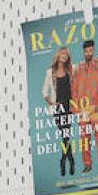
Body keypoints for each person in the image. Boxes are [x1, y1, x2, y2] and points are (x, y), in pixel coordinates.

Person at [71, 39, 98, 169]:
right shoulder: (78, 68)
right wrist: (76, 109)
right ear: (83, 52)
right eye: (86, 51)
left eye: (90, 50)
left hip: (96, 108)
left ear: (94, 50)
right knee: (84, 138)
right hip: (82, 109)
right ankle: (87, 164)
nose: (88, 53)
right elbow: (74, 89)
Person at [40, 48, 76, 177]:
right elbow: (44, 92)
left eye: (67, 55)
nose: (64, 56)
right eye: (62, 53)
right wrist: (52, 103)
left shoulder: (71, 69)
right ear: (58, 55)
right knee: (65, 136)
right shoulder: (50, 72)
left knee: (66, 136)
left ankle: (64, 161)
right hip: (58, 109)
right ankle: (68, 160)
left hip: (69, 107)